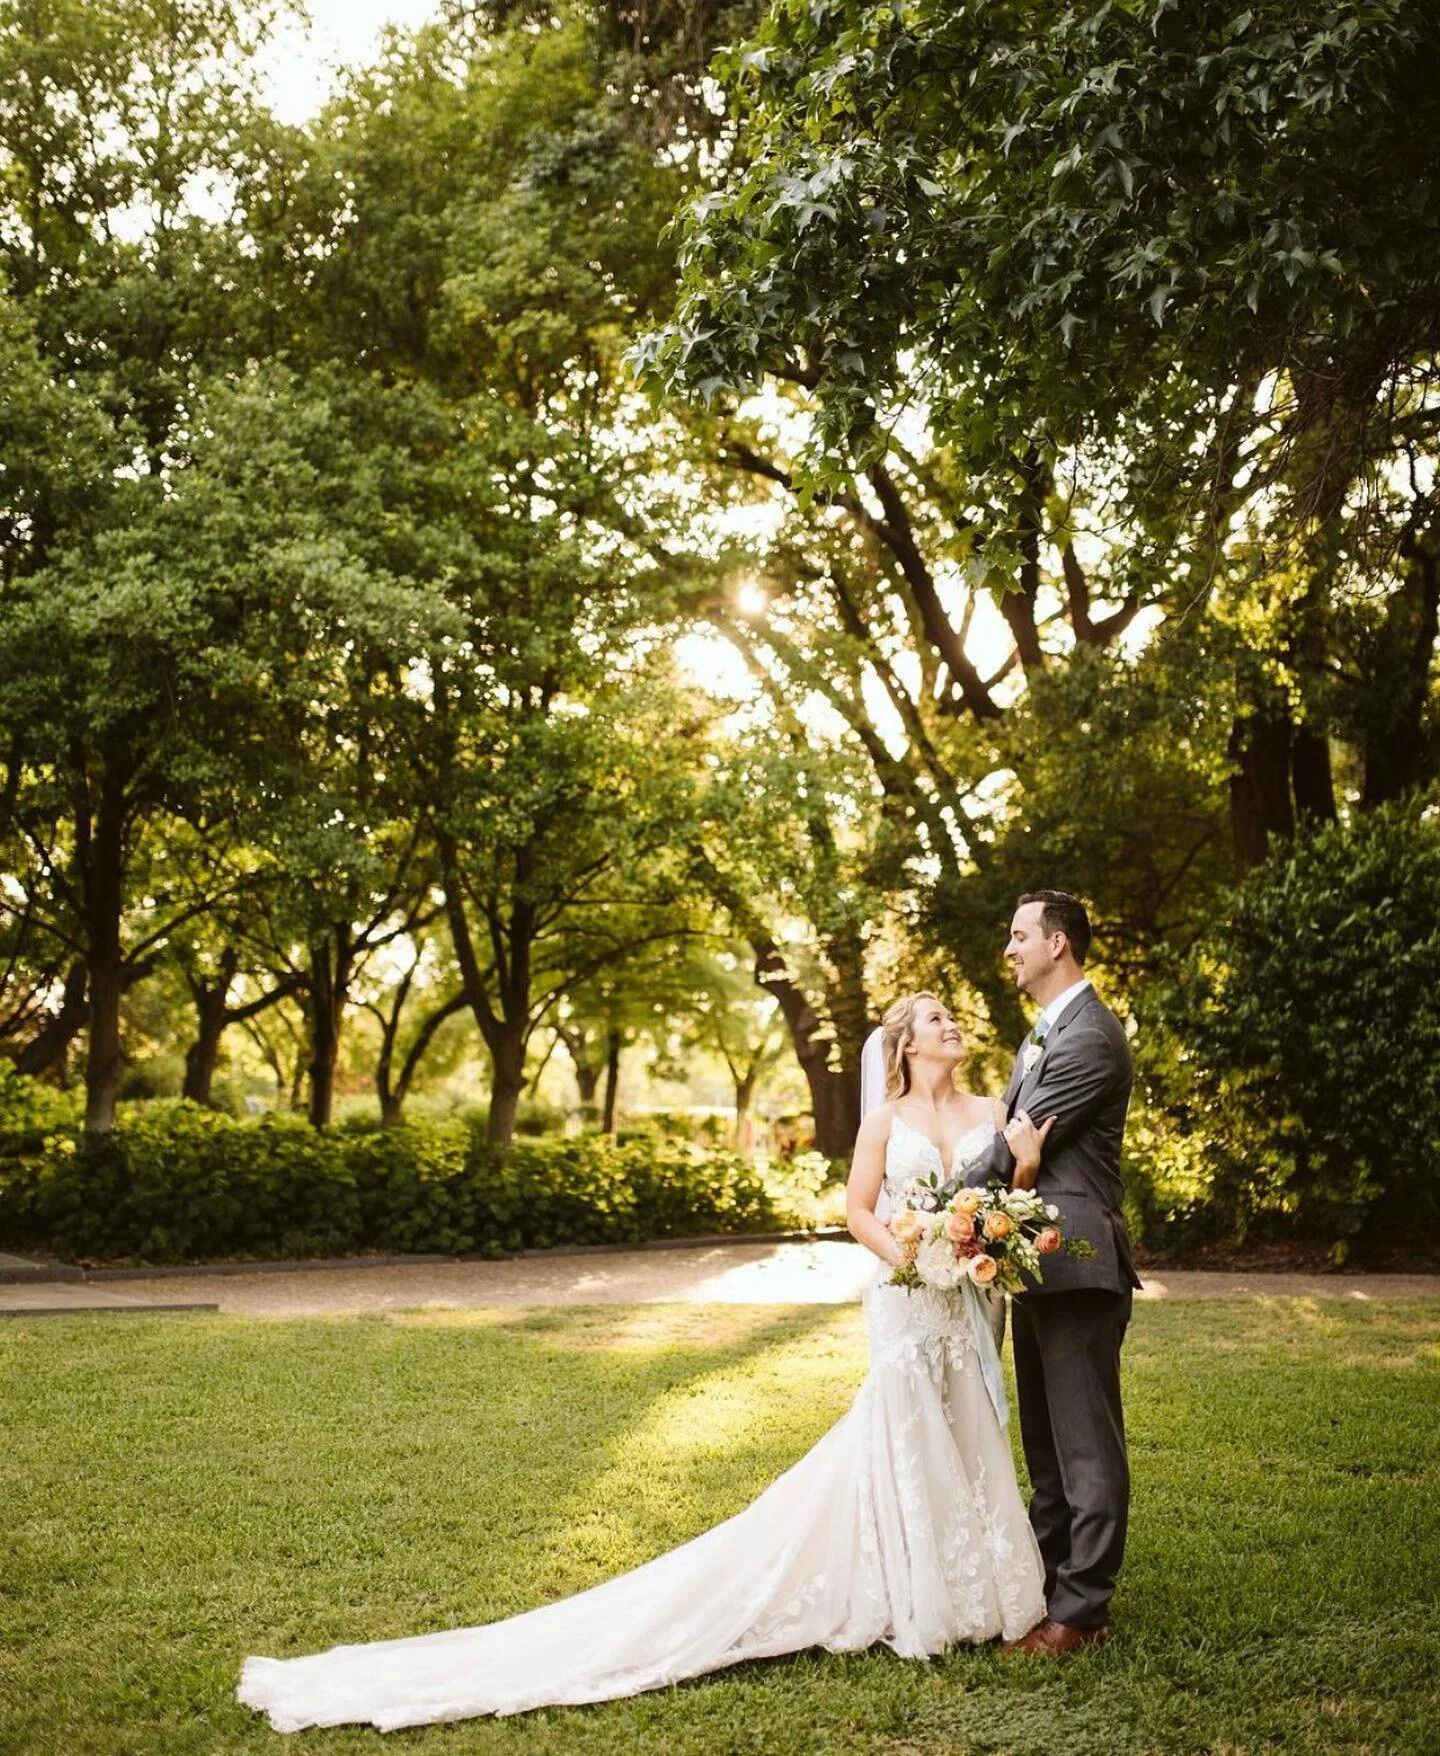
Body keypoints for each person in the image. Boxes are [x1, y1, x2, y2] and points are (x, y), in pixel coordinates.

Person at [237, 992, 1045, 1733]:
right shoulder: (884, 1119)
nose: (951, 1024)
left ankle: (972, 1579)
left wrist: (1016, 1189)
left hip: (970, 1294)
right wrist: (910, 1258)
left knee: (969, 1422)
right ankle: (920, 1593)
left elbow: (1007, 1190)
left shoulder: (989, 1109)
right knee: (907, 1431)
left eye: (952, 1017)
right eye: (935, 1018)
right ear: (904, 1045)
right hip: (907, 1297)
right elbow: (859, 1210)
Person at [963, 890, 1141, 1656]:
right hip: (1035, 1260)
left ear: (1058, 943)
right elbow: (1015, 1145)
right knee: (1045, 1443)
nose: (1009, 949)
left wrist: (942, 1207)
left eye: (1019, 936)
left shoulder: (1089, 1038)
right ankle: (1047, 1587)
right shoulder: (1042, 1036)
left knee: (1085, 1445)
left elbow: (1013, 1146)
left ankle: (1083, 1611)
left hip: (1077, 1258)